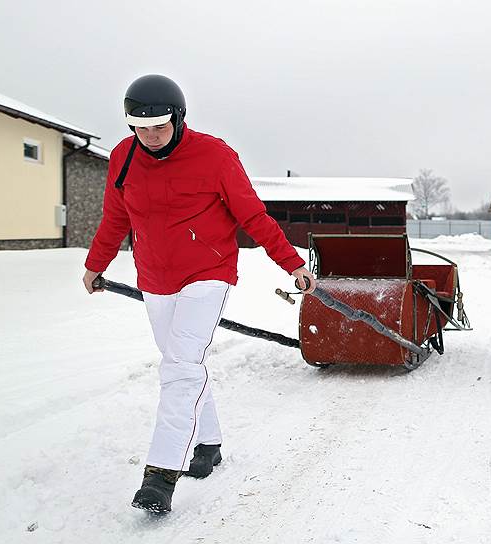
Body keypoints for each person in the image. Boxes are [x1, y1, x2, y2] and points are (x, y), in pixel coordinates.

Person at [82, 74, 316, 512]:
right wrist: (96, 264)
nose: (150, 137)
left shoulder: (215, 155)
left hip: (208, 272)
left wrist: (292, 263)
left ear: (179, 118)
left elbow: (253, 215)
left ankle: (161, 473)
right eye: (139, 128)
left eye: (159, 127)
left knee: (179, 366)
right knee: (182, 362)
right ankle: (208, 442)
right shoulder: (123, 157)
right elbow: (115, 217)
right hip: (154, 276)